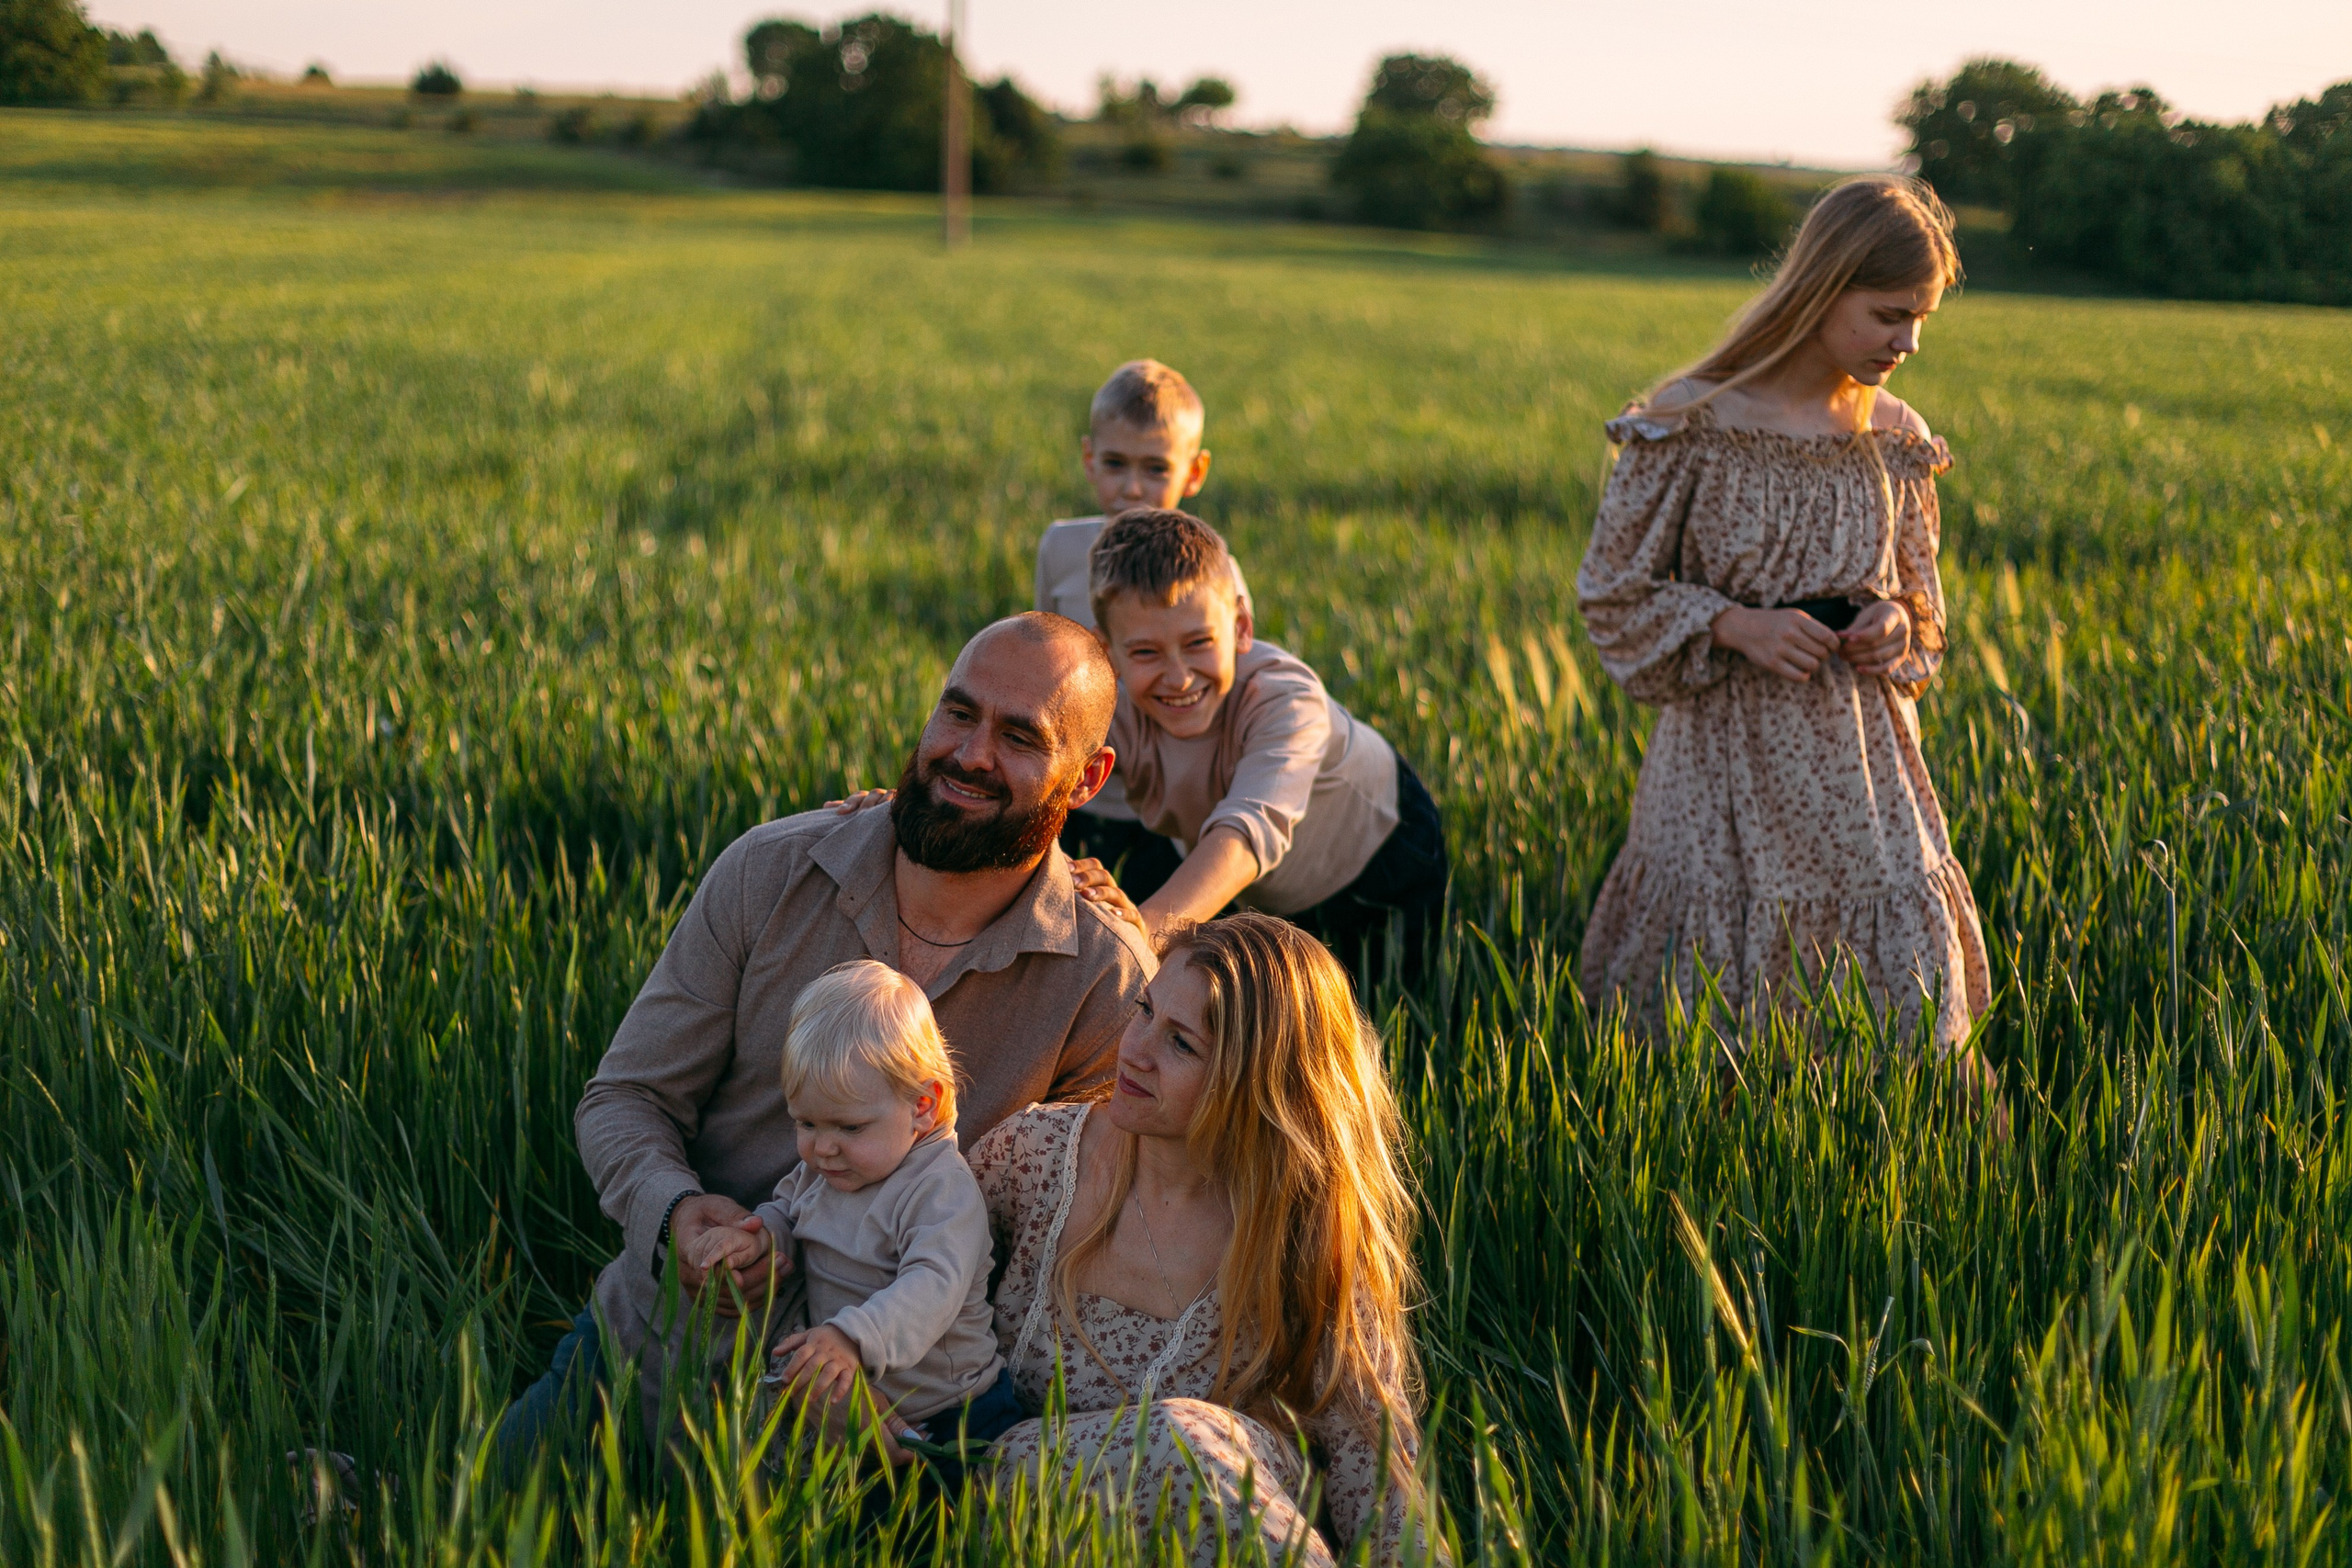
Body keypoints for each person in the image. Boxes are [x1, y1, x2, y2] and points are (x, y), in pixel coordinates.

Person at [506, 614, 1154, 1454]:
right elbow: (626, 1097)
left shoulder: (1104, 980)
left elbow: (1074, 1247)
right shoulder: (770, 870)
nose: (970, 754)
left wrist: (908, 1406)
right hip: (670, 1338)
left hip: (898, 1404)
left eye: (1020, 736)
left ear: (1088, 777)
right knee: (455, 1508)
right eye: (958, 712)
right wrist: (675, 1217)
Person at [1575, 174, 1991, 1056]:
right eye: (1888, 315)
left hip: (1862, 774)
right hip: (1721, 771)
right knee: (1716, 1028)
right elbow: (1612, 596)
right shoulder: (1689, 422)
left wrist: (1895, 624)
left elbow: (1924, 609)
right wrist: (1733, 624)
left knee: (1911, 1024)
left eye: (1921, 318)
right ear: (1823, 287)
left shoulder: (1896, 437)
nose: (1909, 341)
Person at [969, 913, 1430, 1565]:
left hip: (1231, 1529)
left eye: (1181, 1044)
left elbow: (1374, 1464)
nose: (1134, 1050)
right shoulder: (1035, 1156)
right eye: (1144, 1010)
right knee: (1174, 1441)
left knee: (1192, 1445)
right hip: (1030, 1508)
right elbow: (901, 1267)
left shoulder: (1299, 1225)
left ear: (1255, 1079)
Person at [1073, 508, 1447, 986]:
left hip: (1378, 861)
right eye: (1146, 652)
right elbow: (1051, 775)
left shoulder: (1285, 700)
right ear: (1107, 652)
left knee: (1385, 1005)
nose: (1179, 677)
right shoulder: (1113, 707)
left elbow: (1245, 836)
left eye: (1199, 642)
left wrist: (1140, 935)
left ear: (1241, 627)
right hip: (1257, 891)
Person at [681, 960, 1022, 1459]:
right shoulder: (828, 1170)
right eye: (806, 1124)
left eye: (850, 1127)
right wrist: (756, 1238)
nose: (823, 1148)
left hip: (953, 1407)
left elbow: (933, 1285)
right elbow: (788, 1213)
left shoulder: (940, 1190)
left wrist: (851, 1337)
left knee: (950, 1500)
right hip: (853, 1390)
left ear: (923, 1105)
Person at [1034, 360, 1249, 903]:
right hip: (1074, 791)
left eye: (1156, 468)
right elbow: (1040, 666)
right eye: (1115, 464)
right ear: (1089, 459)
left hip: (1165, 807)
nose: (1132, 488)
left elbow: (1222, 682)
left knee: (1146, 928)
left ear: (1194, 472)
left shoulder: (1210, 571)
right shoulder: (1060, 549)